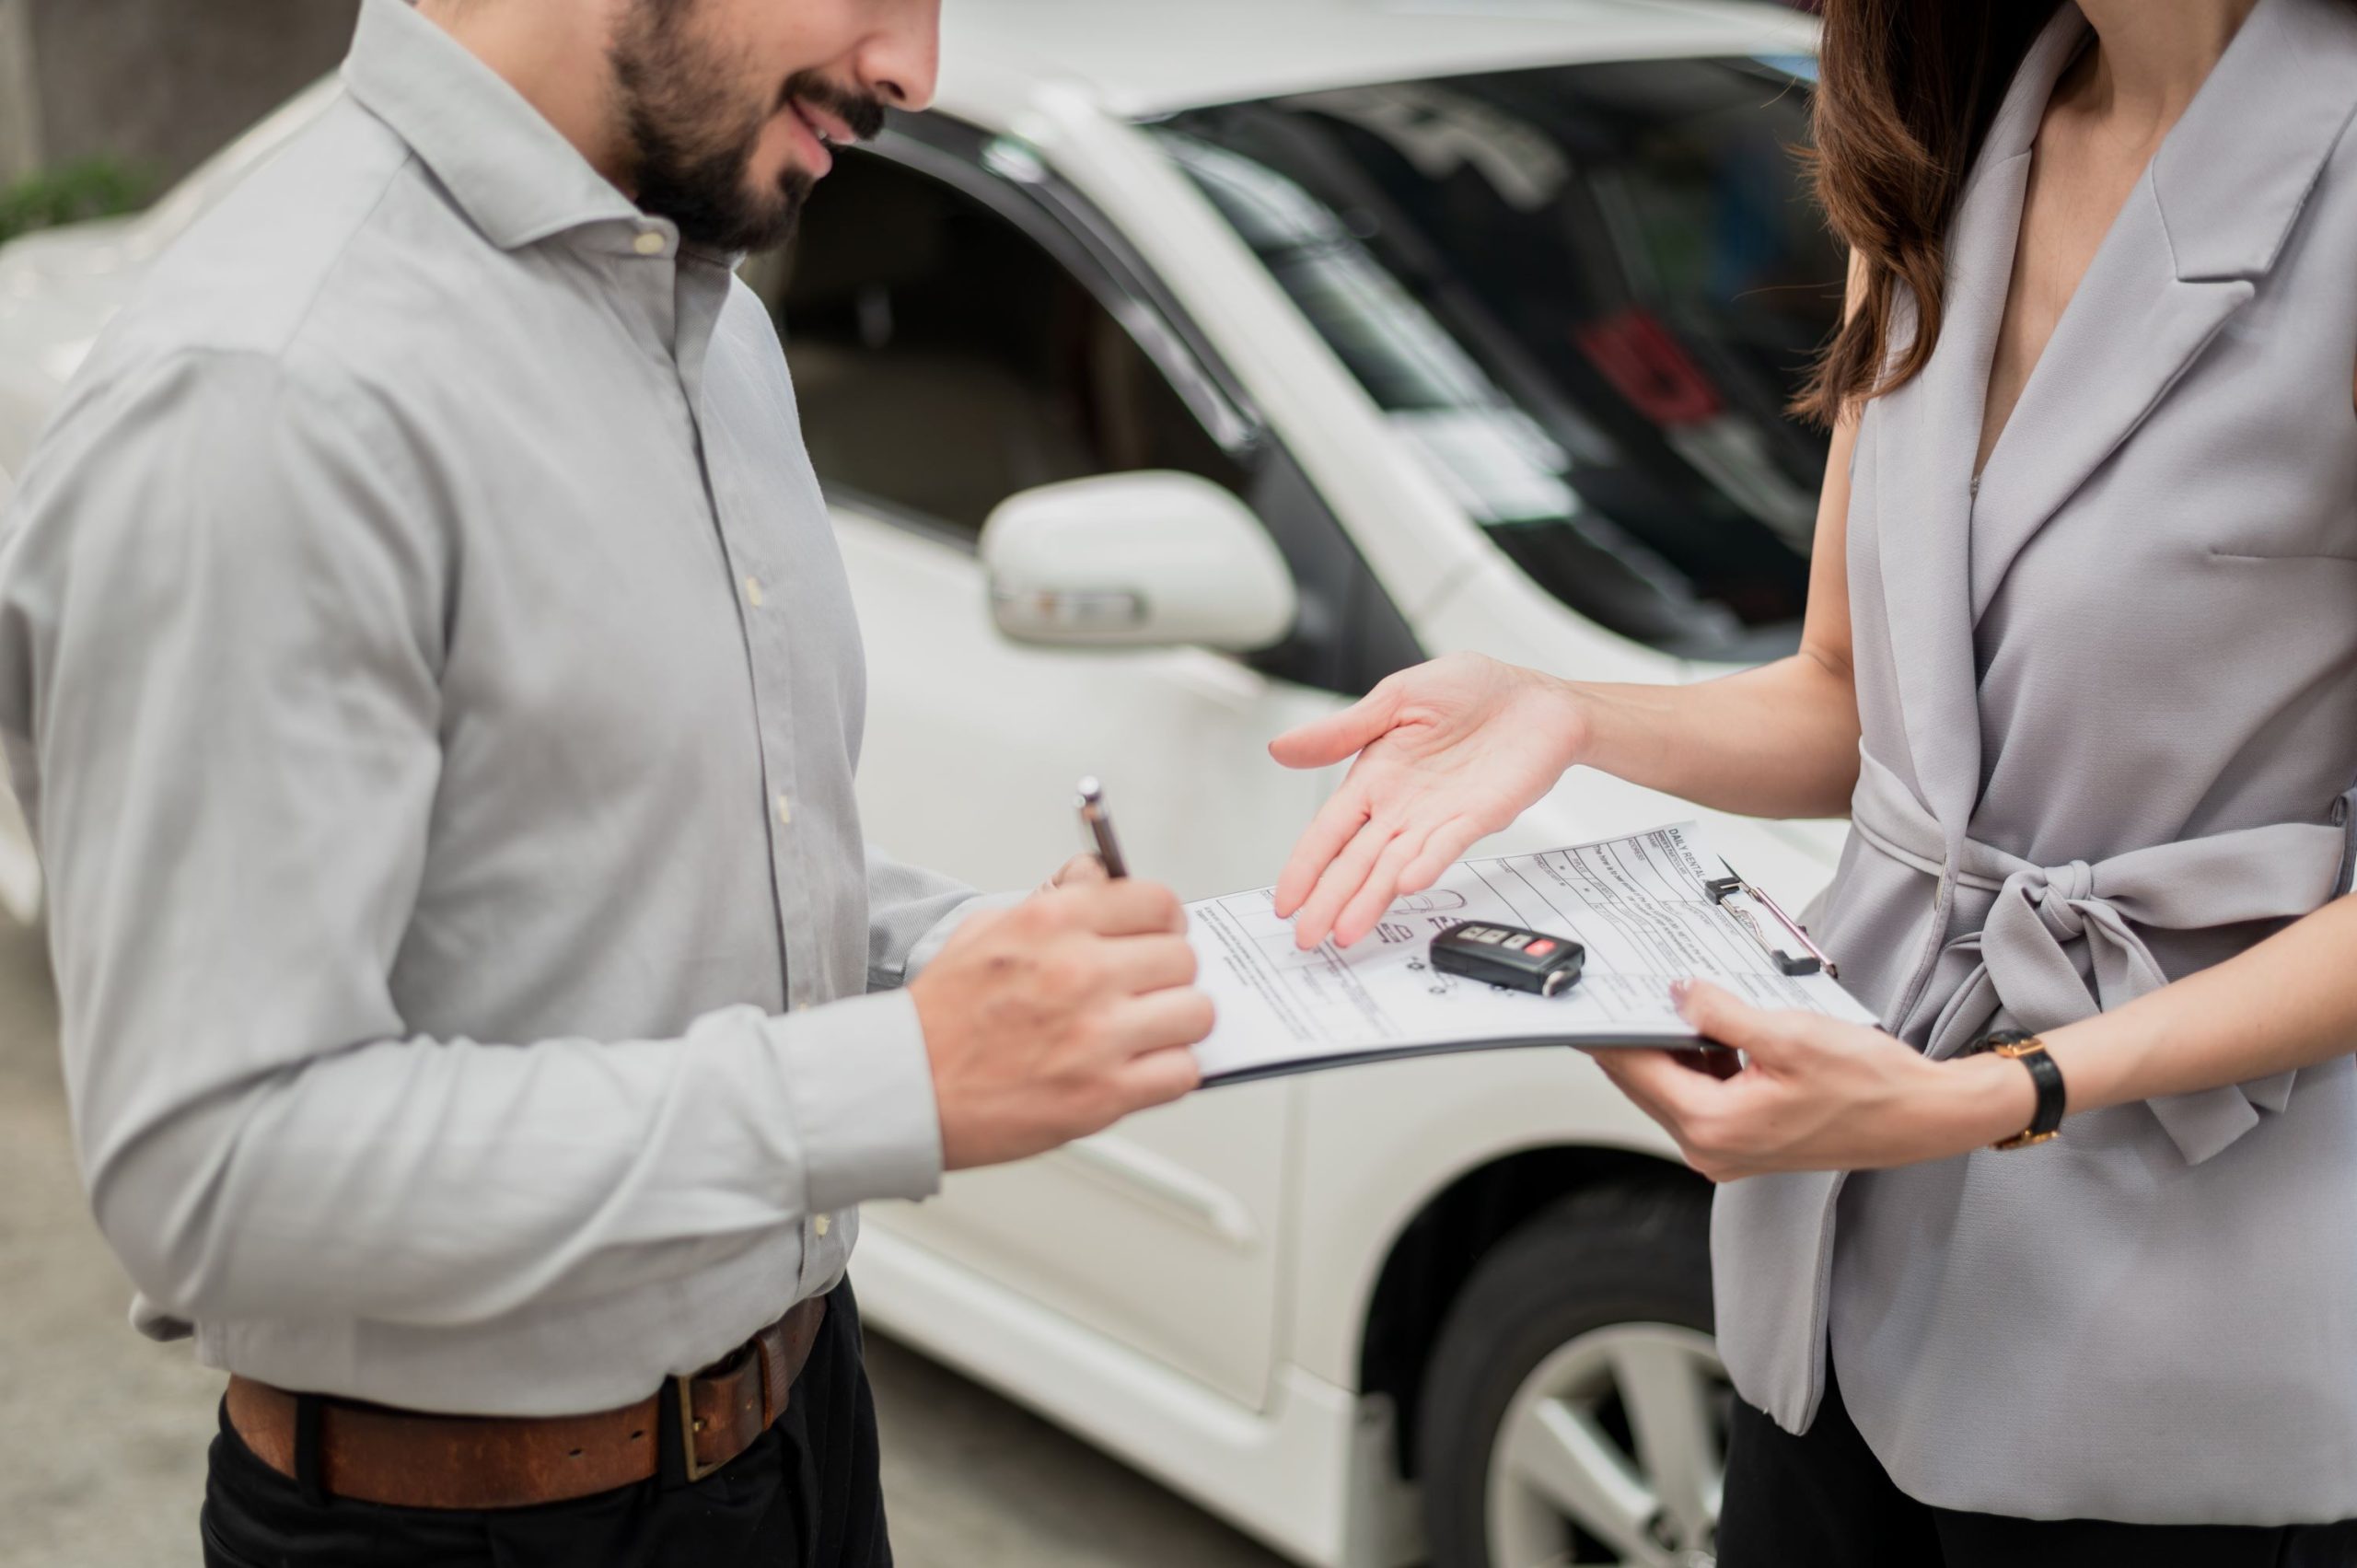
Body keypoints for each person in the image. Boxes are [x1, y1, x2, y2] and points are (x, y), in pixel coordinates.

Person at [0, 1, 1213, 1563]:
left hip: (801, 1432)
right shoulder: (269, 388)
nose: (915, 70)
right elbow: (215, 1170)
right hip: (458, 1528)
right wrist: (896, 1080)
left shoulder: (709, 319)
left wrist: (946, 956)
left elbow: (646, 851)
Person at [1268, 0, 2357, 1562]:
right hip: (1839, 1255)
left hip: (2193, 1310)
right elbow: (1853, 701)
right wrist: (1558, 706)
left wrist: (2001, 1096)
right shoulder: (1944, 153)